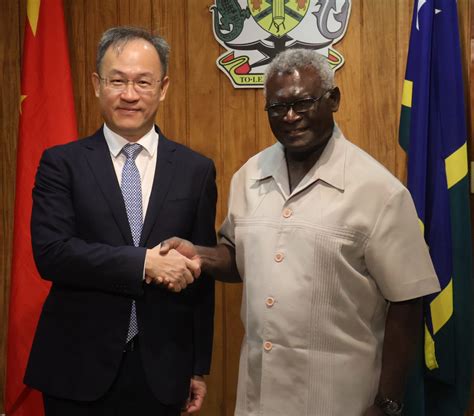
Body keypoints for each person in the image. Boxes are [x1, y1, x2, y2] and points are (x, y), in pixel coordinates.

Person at [160, 49, 441, 416]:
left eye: (303, 102)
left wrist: (387, 403)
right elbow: (240, 256)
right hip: (259, 396)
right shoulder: (249, 176)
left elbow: (407, 301)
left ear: (333, 100)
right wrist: (202, 256)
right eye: (277, 107)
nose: (290, 117)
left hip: (340, 399)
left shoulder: (379, 192)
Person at [24, 26, 216, 416]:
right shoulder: (62, 164)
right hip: (77, 368)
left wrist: (199, 367)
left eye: (143, 82)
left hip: (162, 369)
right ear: (97, 84)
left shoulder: (196, 170)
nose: (129, 95)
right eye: (117, 81)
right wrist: (144, 263)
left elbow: (201, 272)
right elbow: (52, 253)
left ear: (163, 88)